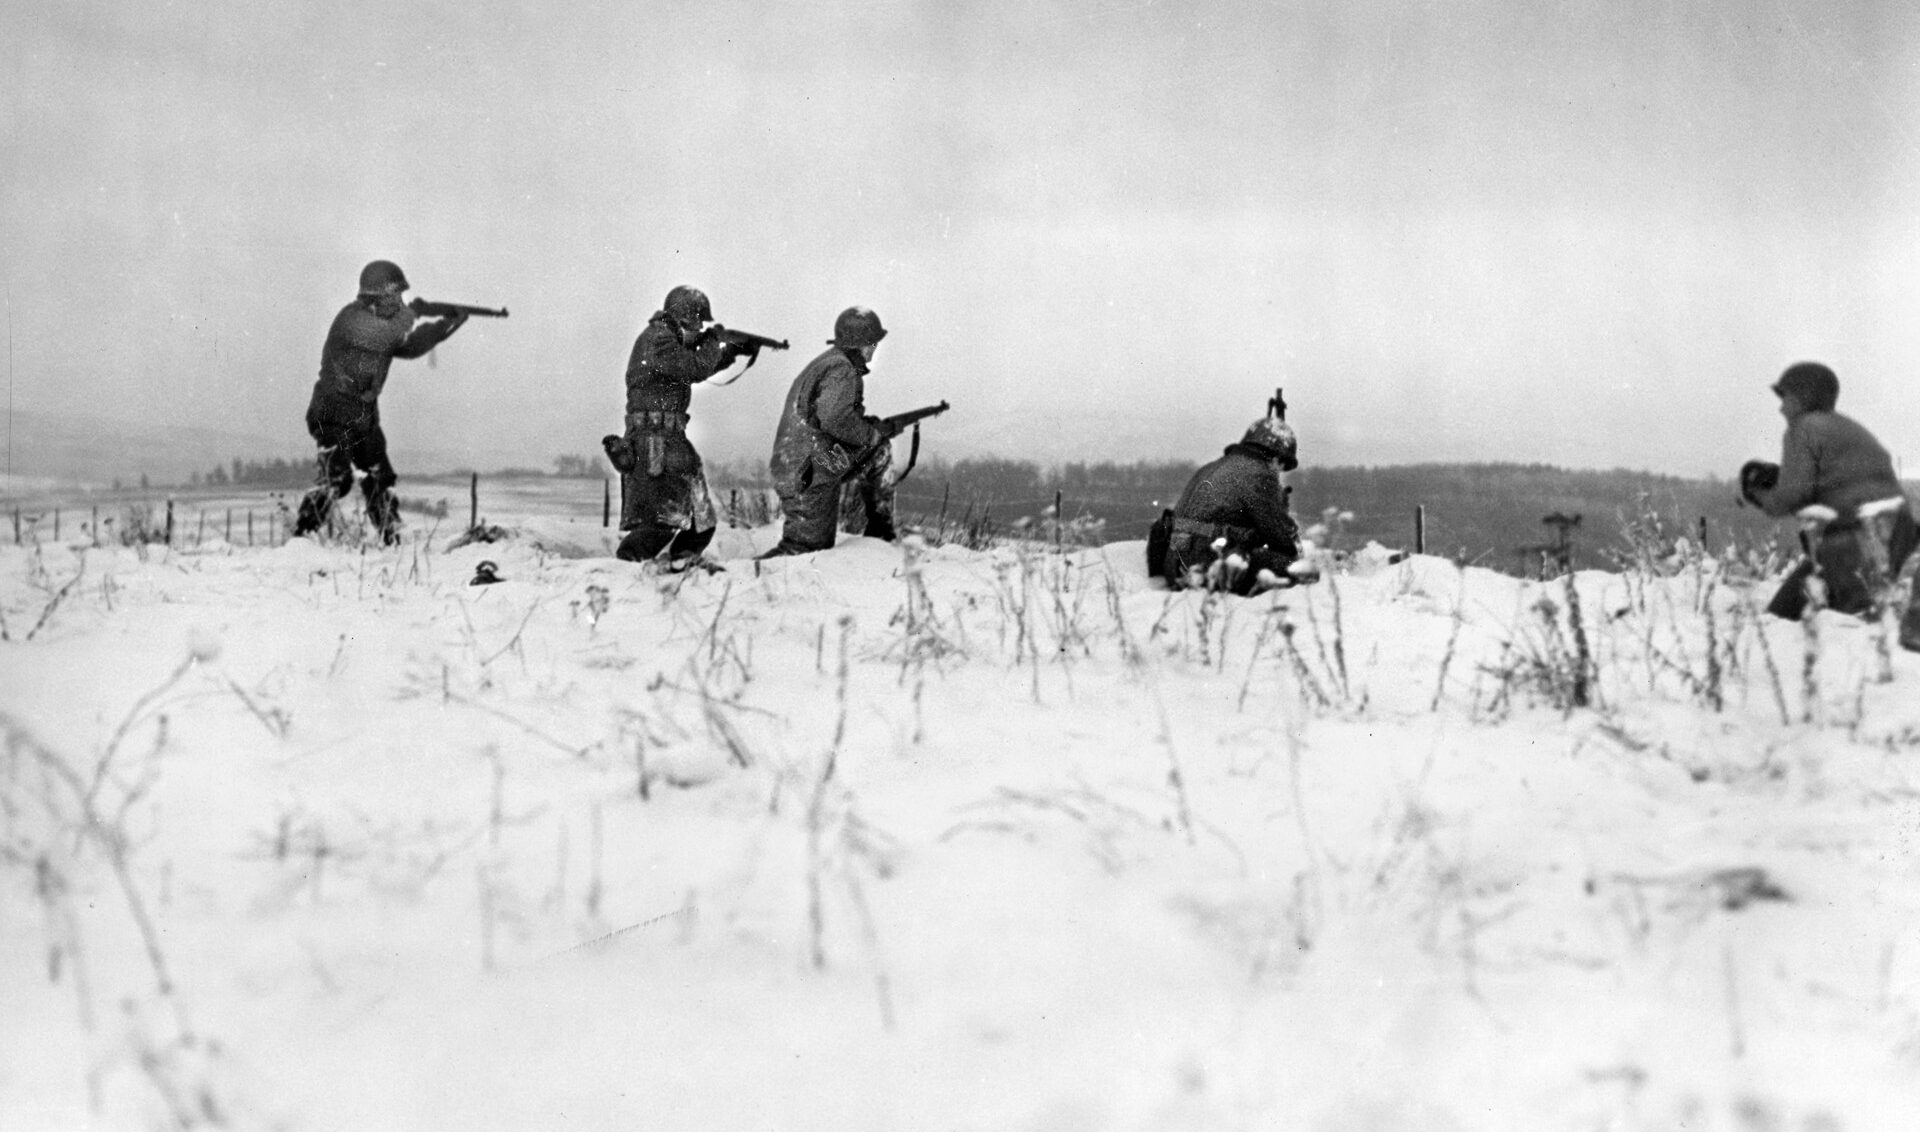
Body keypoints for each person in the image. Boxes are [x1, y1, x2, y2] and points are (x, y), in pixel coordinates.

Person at [294, 260, 468, 544]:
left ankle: (392, 537)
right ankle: (301, 539)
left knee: (379, 478)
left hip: (363, 416)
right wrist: (414, 312)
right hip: (333, 412)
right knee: (336, 479)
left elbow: (410, 347)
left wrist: (447, 324)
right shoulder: (353, 320)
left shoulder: (382, 327)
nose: (400, 302)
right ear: (378, 296)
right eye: (395, 296)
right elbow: (388, 335)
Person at [1746, 361, 1917, 639]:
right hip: (1898, 531)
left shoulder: (1802, 429)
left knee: (1790, 625)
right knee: (1848, 623)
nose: (1781, 408)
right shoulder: (1848, 428)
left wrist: (1758, 494)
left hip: (1855, 540)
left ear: (1803, 398)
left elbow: (1792, 496)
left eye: (1785, 397)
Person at [614, 285, 752, 567]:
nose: (700, 327)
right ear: (681, 318)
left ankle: (680, 570)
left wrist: (731, 354)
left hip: (672, 441)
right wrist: (715, 339)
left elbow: (693, 367)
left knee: (702, 521)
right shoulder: (657, 340)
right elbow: (694, 368)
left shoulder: (669, 344)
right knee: (659, 523)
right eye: (697, 322)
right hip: (653, 442)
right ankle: (623, 572)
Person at [761, 306, 901, 557]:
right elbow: (835, 419)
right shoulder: (842, 368)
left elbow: (829, 416)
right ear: (860, 344)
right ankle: (740, 580)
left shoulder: (830, 363)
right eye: (872, 342)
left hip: (804, 464)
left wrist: (868, 427)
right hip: (808, 470)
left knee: (878, 450)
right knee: (804, 550)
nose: (874, 348)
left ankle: (881, 535)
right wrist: (871, 435)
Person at [1152, 414, 1306, 595]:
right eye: (1281, 465)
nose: (1278, 471)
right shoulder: (1260, 474)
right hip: (1210, 566)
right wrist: (1281, 509)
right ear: (1276, 457)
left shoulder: (1210, 467)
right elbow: (1281, 541)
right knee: (1294, 568)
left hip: (1175, 565)